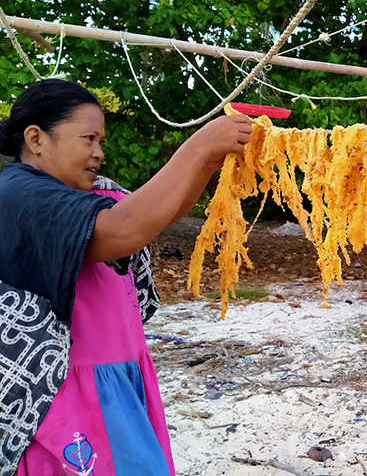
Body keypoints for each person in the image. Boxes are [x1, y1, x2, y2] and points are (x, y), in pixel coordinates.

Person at [0, 78, 251, 475]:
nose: (99, 153)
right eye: (88, 139)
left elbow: (157, 215)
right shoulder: (21, 193)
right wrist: (198, 146)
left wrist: (206, 163)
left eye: (101, 141)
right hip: (71, 391)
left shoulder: (87, 193)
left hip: (119, 375)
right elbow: (122, 232)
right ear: (36, 138)